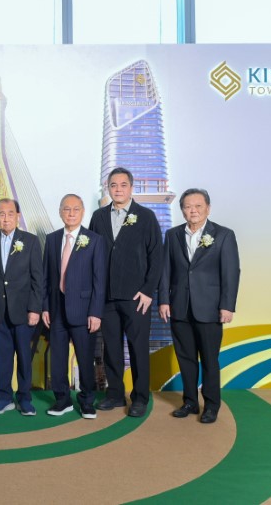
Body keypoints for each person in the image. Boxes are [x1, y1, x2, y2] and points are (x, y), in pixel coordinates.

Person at [159, 188, 240, 424]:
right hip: (180, 307)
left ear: (208, 208)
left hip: (210, 308)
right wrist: (164, 300)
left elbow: (231, 273)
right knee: (185, 359)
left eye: (198, 206)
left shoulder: (223, 235)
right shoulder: (172, 235)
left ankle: (211, 406)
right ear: (182, 210)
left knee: (210, 360)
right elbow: (165, 271)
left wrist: (227, 306)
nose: (193, 210)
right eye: (187, 206)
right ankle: (190, 402)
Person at [88, 167, 162, 418]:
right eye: (113, 185)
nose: (118, 189)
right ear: (107, 188)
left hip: (136, 297)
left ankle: (140, 397)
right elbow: (92, 255)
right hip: (107, 296)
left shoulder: (146, 216)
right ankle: (115, 394)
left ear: (131, 188)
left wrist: (148, 291)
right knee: (111, 348)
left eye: (123, 185)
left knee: (138, 348)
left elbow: (156, 256)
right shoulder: (98, 217)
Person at [42, 194, 107, 419]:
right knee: (58, 359)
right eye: (66, 209)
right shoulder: (52, 239)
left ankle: (87, 401)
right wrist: (45, 307)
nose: (71, 213)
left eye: (76, 209)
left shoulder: (94, 240)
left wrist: (96, 312)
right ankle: (62, 400)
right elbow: (46, 277)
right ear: (60, 212)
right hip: (56, 308)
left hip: (84, 309)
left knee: (85, 358)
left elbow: (100, 280)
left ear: (82, 212)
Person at [0, 199, 43, 416]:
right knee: (3, 357)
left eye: (10, 213)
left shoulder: (31, 241)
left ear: (18, 216)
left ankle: (24, 398)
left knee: (25, 357)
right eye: (1, 214)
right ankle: (4, 398)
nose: (6, 218)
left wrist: (35, 309)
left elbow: (37, 279)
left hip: (24, 312)